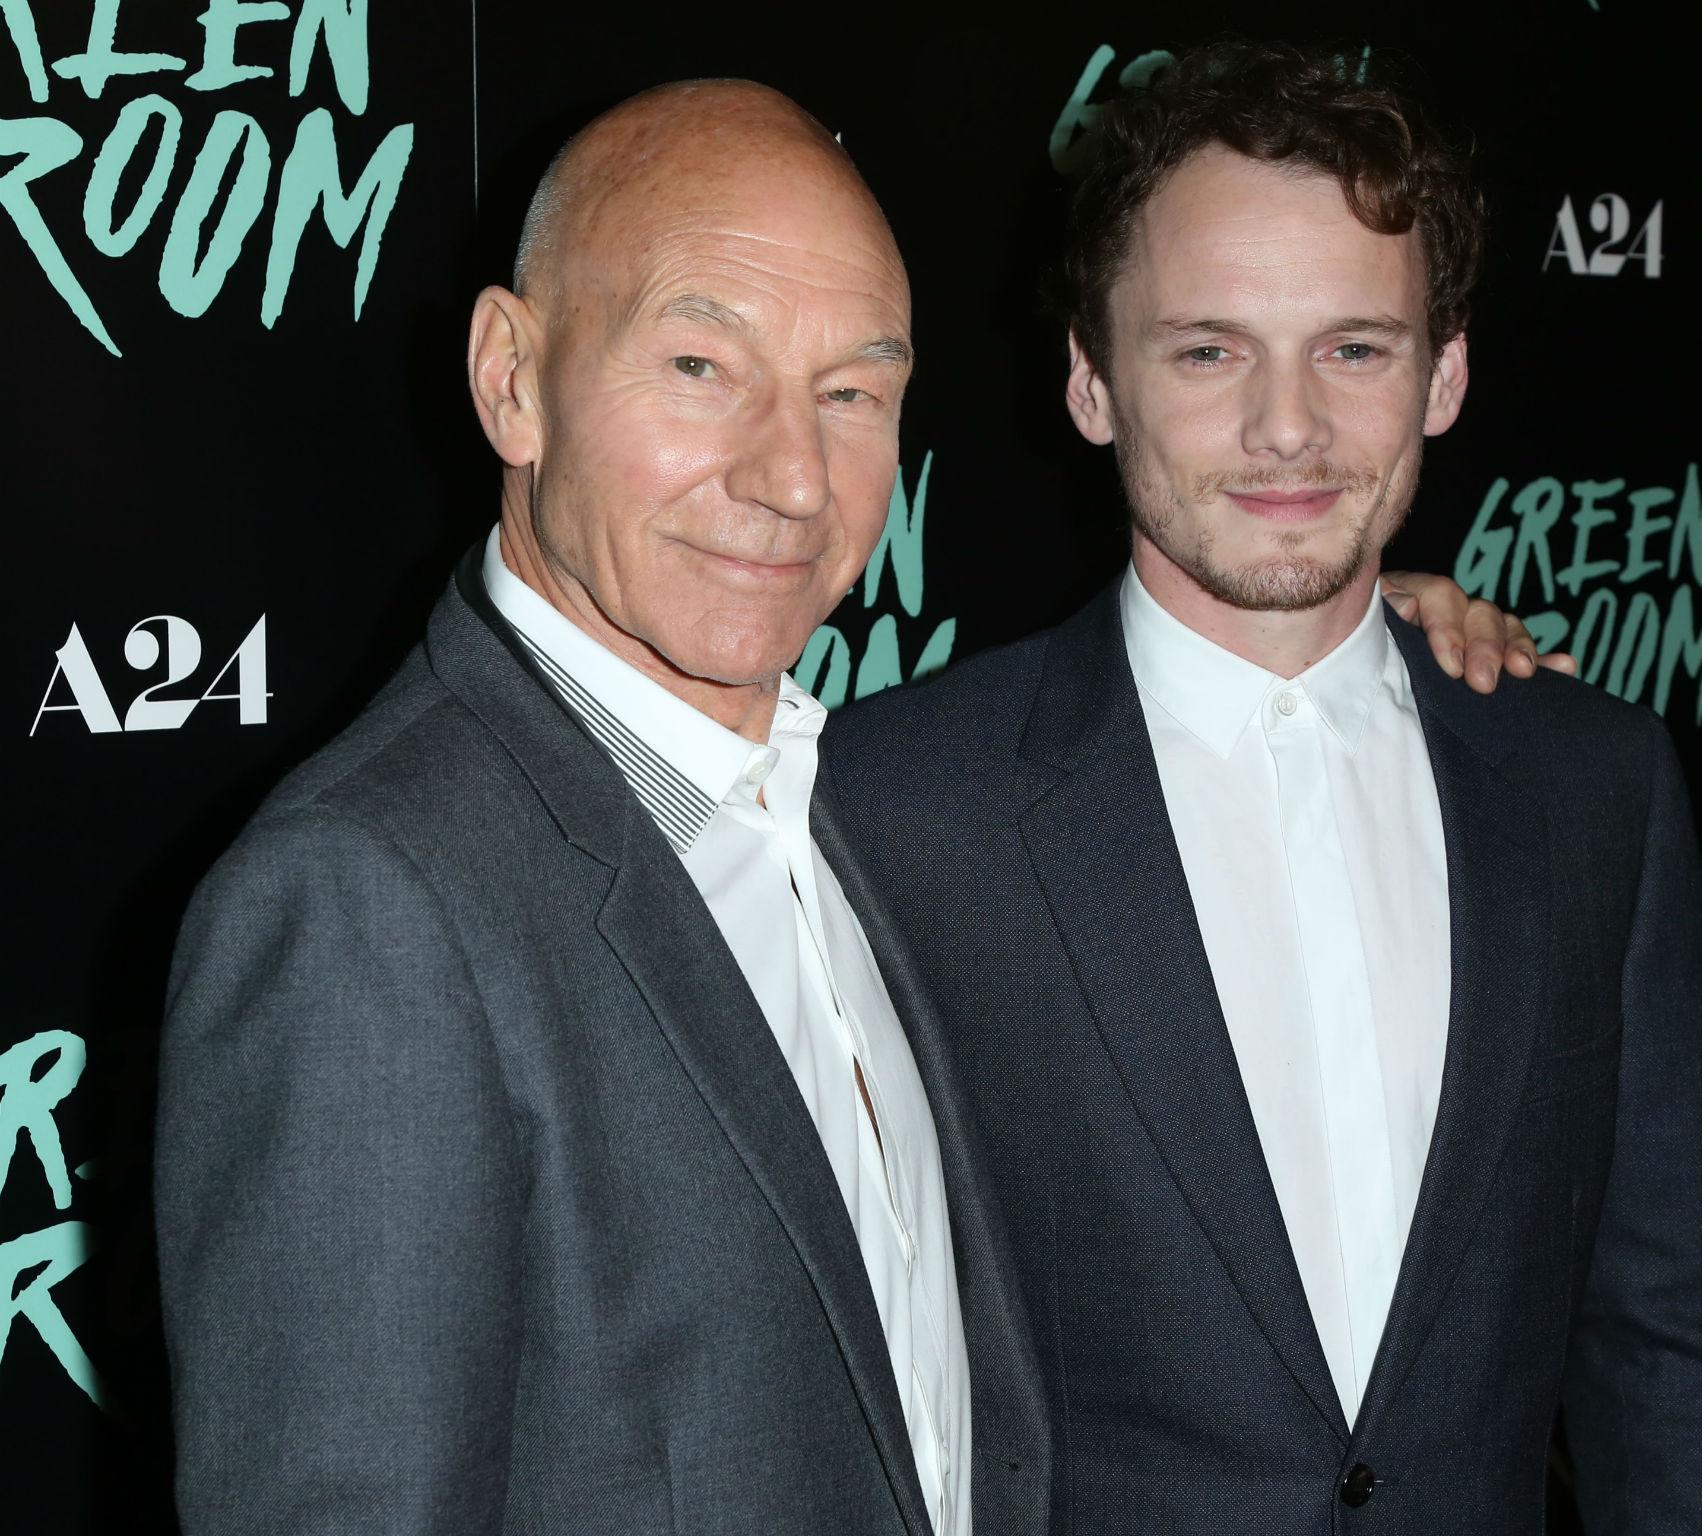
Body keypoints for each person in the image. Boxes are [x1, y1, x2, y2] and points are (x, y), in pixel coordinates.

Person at [153, 78, 1529, 1535]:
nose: (792, 476)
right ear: (511, 378)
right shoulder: (369, 907)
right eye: (699, 365)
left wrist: (1375, 653)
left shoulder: (851, 807)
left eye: (853, 393)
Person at [819, 42, 1702, 1535]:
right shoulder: (890, 815)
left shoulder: (1594, 789)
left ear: (1444, 373)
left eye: (1354, 348)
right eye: (1207, 350)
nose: (1287, 428)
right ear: (1091, 381)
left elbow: (1676, 1348)